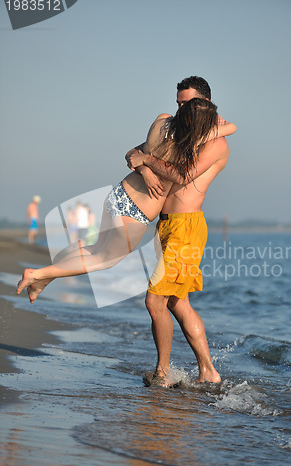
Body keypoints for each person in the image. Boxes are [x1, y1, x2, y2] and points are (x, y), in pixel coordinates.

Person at [17, 98, 234, 323]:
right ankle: (38, 275)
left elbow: (134, 153)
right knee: (104, 259)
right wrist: (218, 126)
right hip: (137, 211)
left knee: (95, 248)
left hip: (119, 194)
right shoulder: (186, 143)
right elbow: (222, 135)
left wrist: (145, 165)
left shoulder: (161, 122)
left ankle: (45, 278)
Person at [126, 76, 235, 386]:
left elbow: (183, 174)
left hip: (186, 228)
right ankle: (208, 372)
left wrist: (147, 159)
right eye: (178, 104)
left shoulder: (216, 142)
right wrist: (143, 163)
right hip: (167, 225)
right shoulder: (185, 136)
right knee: (176, 301)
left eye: (186, 104)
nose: (179, 110)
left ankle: (162, 373)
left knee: (154, 300)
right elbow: (134, 153)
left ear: (204, 104)